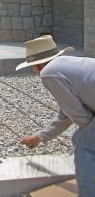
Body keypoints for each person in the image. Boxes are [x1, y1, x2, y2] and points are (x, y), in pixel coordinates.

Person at [16, 35, 95, 196]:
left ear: (37, 65)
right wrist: (38, 137)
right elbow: (65, 114)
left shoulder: (49, 73)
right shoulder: (69, 65)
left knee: (82, 140)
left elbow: (81, 118)